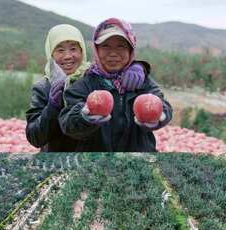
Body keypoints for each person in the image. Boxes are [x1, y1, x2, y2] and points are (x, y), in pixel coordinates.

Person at [26, 24, 146, 152]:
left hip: (95, 162)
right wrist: (52, 108)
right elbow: (35, 138)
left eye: (73, 49)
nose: (68, 56)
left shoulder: (95, 77)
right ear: (51, 54)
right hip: (60, 164)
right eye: (60, 50)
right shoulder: (43, 88)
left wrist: (139, 67)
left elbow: (118, 69)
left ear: (82, 51)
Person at [59, 18, 172, 152]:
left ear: (130, 50)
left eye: (121, 46)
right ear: (96, 50)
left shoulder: (142, 81)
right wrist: (83, 117)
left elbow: (162, 104)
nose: (113, 53)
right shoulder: (85, 84)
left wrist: (160, 116)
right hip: (95, 164)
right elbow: (67, 123)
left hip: (138, 163)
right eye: (105, 46)